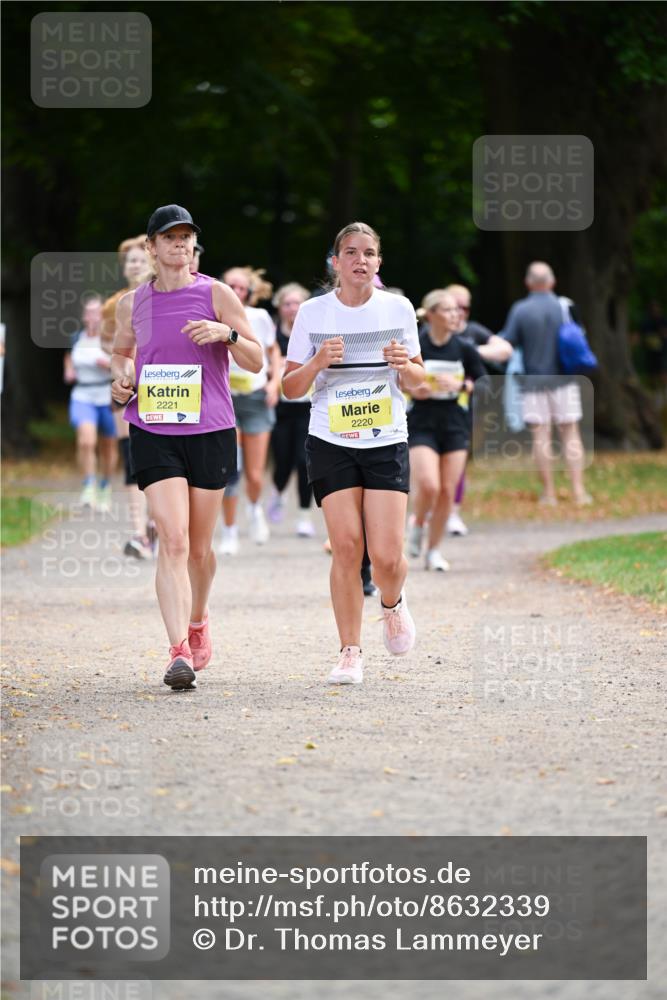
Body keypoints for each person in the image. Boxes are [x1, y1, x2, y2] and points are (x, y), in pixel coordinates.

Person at [110, 204, 262, 690]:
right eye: (169, 238)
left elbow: (256, 361)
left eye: (187, 237)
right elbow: (121, 353)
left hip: (210, 429)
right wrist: (122, 380)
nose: (180, 244)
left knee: (198, 548)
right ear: (151, 247)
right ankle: (177, 651)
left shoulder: (215, 293)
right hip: (153, 427)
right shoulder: (132, 303)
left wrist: (227, 333)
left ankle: (198, 619)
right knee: (171, 540)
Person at [283, 221, 424, 685]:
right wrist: (318, 362)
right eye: (350, 252)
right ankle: (350, 651)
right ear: (336, 262)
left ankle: (392, 602)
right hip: (330, 439)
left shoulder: (399, 308)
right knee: (346, 548)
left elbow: (421, 383)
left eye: (369, 253)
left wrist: (406, 367)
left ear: (378, 262)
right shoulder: (312, 313)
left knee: (386, 558)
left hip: (385, 439)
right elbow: (288, 388)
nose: (360, 260)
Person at [407, 289, 486, 570]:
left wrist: (461, 385)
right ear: (431, 315)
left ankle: (433, 551)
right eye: (449, 310)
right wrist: (415, 389)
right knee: (429, 485)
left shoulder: (464, 347)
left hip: (454, 423)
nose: (456, 315)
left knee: (447, 491)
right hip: (422, 423)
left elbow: (482, 380)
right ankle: (417, 524)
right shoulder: (416, 345)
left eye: (457, 310)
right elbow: (398, 378)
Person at [501, 262, 592, 506]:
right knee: (570, 433)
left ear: (528, 283)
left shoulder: (520, 310)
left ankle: (549, 494)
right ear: (551, 282)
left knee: (541, 436)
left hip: (533, 383)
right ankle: (579, 491)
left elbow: (507, 342)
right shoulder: (565, 306)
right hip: (565, 380)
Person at [219, 266, 281, 553]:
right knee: (230, 470)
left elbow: (273, 352)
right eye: (230, 285)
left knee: (254, 474)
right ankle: (229, 531)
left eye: (241, 287)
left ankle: (255, 508)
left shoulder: (260, 317)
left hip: (256, 397)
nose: (236, 291)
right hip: (225, 399)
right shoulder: (213, 315)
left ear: (249, 292)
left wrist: (274, 383)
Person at [443, 283, 513, 536]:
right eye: (454, 307)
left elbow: (505, 349)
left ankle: (453, 513)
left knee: (458, 461)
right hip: (430, 408)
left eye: (465, 307)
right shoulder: (430, 333)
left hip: (464, 407)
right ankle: (428, 512)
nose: (460, 312)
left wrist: (472, 351)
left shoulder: (473, 332)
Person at [101, 235, 155, 558]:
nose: (135, 265)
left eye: (139, 259)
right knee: (131, 460)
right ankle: (139, 533)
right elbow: (106, 344)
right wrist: (124, 363)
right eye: (130, 261)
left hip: (163, 389)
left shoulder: (165, 297)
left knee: (157, 459)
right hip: (126, 387)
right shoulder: (115, 304)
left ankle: (155, 524)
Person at [267, 282, 316, 537]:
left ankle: (304, 516)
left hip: (308, 407)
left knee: (304, 461)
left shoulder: (313, 332)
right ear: (280, 306)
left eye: (297, 303)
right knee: (283, 462)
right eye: (287, 303)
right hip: (280, 408)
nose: (292, 308)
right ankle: (277, 492)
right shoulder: (272, 335)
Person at [64, 295, 117, 511]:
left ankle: (105, 485)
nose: (92, 317)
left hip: (106, 395)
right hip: (82, 395)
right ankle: (88, 485)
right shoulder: (76, 337)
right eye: (88, 312)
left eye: (96, 312)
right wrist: (68, 371)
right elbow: (68, 359)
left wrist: (107, 364)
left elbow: (125, 366)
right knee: (86, 441)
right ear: (84, 317)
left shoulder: (110, 339)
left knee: (108, 447)